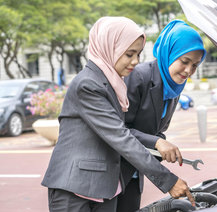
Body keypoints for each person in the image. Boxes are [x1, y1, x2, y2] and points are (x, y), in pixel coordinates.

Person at [41, 17, 194, 212]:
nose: (135, 61)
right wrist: (168, 180)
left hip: (105, 189)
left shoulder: (113, 84)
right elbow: (120, 136)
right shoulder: (88, 84)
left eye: (138, 54)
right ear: (109, 47)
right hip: (74, 188)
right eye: (129, 54)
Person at [122, 19, 206, 211]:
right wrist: (157, 143)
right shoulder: (138, 76)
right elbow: (117, 129)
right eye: (184, 62)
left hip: (134, 176)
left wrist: (164, 147)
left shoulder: (173, 88)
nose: (188, 71)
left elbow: (155, 131)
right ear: (170, 53)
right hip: (112, 174)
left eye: (195, 65)